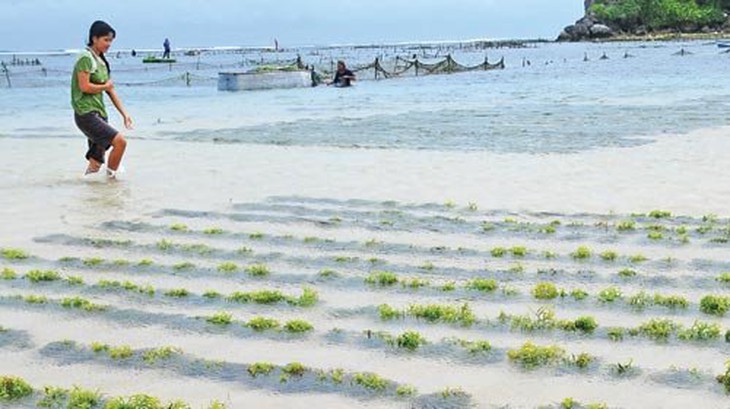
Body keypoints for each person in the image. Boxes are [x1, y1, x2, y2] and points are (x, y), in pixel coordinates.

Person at [71, 20, 132, 179]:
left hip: (99, 113)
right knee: (120, 142)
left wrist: (124, 114)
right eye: (106, 40)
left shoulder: (102, 62)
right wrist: (105, 86)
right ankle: (111, 180)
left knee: (96, 162)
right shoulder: (85, 58)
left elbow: (110, 90)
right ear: (94, 38)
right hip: (85, 113)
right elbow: (84, 87)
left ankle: (89, 188)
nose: (109, 44)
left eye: (111, 40)